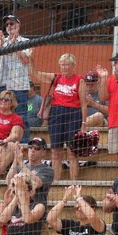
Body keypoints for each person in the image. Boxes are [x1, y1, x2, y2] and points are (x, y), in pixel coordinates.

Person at [31, 53, 87, 181]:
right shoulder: (56, 77)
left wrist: (84, 123)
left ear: (73, 66)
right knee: (56, 151)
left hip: (73, 114)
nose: (64, 67)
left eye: (67, 64)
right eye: (62, 65)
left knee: (72, 152)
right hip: (56, 114)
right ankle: (55, 182)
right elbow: (35, 73)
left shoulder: (80, 80)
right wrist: (31, 60)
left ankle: (74, 183)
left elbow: (84, 104)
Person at [0, 14, 33, 141]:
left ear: (18, 25)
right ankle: (0, 141)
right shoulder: (1, 41)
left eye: (12, 24)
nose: (9, 26)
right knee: (0, 115)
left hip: (19, 85)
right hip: (1, 83)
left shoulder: (25, 42)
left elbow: (26, 60)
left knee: (21, 116)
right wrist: (2, 43)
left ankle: (24, 145)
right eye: (7, 24)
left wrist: (15, 46)